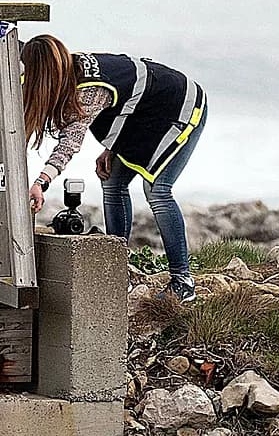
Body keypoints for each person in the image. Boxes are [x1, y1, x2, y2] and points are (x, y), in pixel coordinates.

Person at [21, 34, 207, 303]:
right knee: (112, 181)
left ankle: (183, 281)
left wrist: (41, 182)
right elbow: (127, 100)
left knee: (157, 190)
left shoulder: (86, 90)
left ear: (42, 74)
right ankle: (118, 271)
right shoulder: (68, 71)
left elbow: (71, 142)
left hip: (180, 106)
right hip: (143, 113)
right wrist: (113, 145)